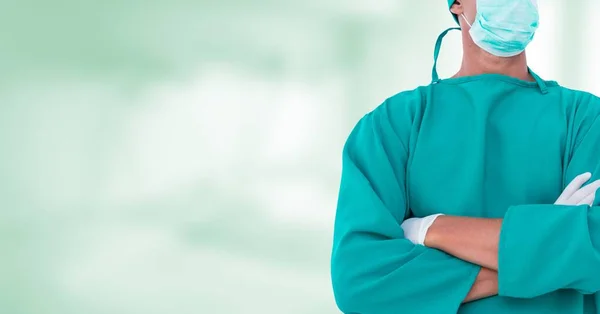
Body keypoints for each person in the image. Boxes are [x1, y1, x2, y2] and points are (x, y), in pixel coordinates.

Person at [330, 0, 600, 313]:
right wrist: (548, 250)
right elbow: (361, 281)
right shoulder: (394, 124)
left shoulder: (586, 120)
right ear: (457, 3)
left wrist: (431, 229)